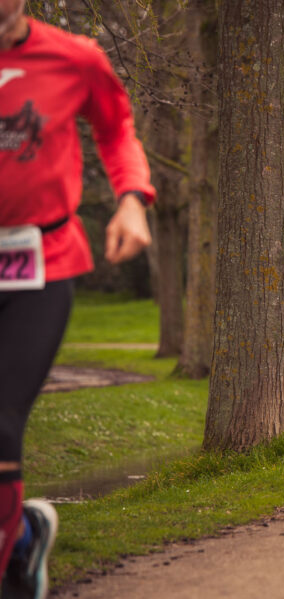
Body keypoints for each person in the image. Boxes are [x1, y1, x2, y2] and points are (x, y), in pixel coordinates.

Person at [0, 3, 155, 597]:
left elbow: (116, 129)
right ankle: (23, 538)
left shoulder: (75, 56)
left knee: (1, 422)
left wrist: (132, 198)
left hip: (41, 263)